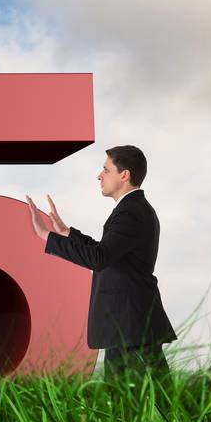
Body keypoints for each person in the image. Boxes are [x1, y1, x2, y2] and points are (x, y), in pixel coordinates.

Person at [28, 144, 176, 380]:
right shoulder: (132, 209)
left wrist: (47, 237)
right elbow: (105, 251)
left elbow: (99, 258)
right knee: (127, 404)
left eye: (106, 170)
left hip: (131, 325)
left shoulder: (131, 212)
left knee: (148, 402)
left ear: (124, 175)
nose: (99, 175)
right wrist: (67, 233)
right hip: (126, 326)